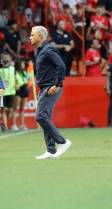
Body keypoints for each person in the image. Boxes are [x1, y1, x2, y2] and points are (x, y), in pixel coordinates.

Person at [30, 26, 71, 160]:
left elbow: (61, 65)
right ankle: (51, 150)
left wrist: (57, 84)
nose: (30, 37)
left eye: (32, 35)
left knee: (40, 117)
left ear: (40, 37)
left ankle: (63, 142)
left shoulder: (48, 50)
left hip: (50, 87)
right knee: (45, 117)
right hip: (44, 87)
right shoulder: (40, 51)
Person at [0, 52, 17, 131]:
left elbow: (15, 77)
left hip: (11, 91)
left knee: (10, 110)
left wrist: (16, 84)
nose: (5, 59)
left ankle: (3, 122)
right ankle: (5, 127)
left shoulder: (13, 68)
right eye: (4, 57)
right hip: (1, 92)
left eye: (7, 57)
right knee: (3, 109)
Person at [14, 58, 29, 131]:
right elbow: (14, 82)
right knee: (16, 108)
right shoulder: (15, 72)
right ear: (19, 65)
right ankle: (14, 125)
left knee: (22, 109)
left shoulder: (25, 72)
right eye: (22, 64)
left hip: (25, 90)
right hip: (19, 90)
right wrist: (16, 85)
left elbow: (28, 81)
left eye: (23, 64)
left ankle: (22, 125)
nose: (23, 65)